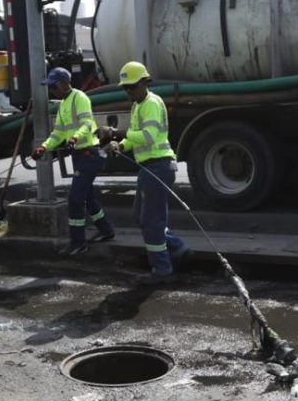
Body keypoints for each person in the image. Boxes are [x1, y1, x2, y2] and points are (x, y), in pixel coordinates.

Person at [101, 61, 189, 285]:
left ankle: (162, 268)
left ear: (144, 82)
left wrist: (115, 131)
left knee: (151, 221)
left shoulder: (150, 103)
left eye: (131, 86)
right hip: (150, 167)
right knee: (141, 216)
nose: (128, 91)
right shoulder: (138, 105)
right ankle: (177, 248)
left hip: (158, 166)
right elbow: (134, 137)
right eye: (125, 88)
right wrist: (120, 145)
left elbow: (148, 136)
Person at [31, 67, 115, 256]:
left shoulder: (80, 98)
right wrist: (43, 148)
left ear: (63, 83)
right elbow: (58, 132)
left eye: (53, 86)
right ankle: (106, 231)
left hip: (89, 155)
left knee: (75, 198)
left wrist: (75, 138)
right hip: (80, 155)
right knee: (87, 196)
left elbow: (88, 124)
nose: (52, 90)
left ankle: (78, 242)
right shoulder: (63, 104)